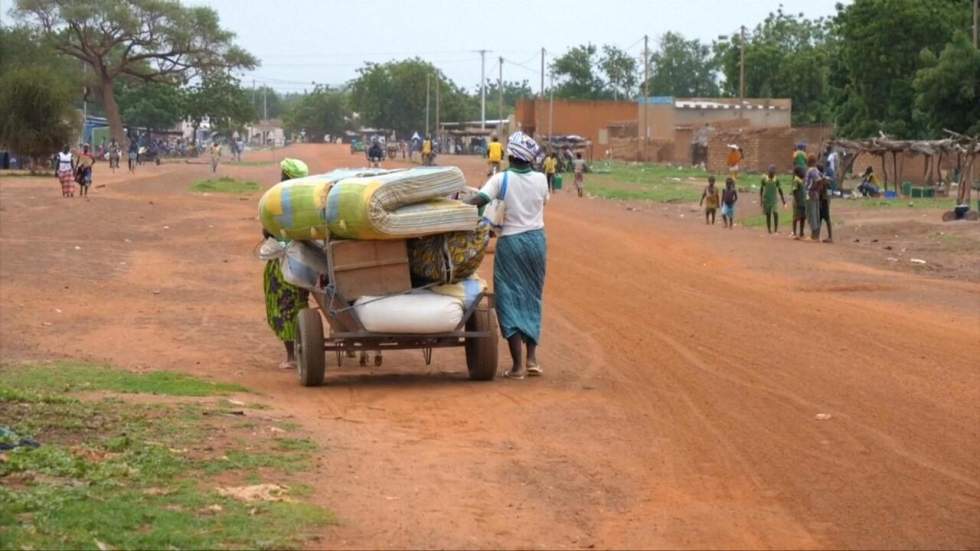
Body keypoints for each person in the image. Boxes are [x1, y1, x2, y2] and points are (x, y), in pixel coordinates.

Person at [464, 131, 548, 379]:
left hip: (511, 242)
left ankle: (517, 366)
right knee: (532, 296)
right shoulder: (542, 179)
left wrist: (458, 203)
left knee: (508, 299)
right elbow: (543, 203)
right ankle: (532, 360)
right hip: (537, 242)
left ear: (510, 155)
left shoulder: (502, 179)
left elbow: (481, 198)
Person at [263, 158, 311, 370]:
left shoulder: (277, 199)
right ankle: (304, 345)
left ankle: (291, 356)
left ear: (285, 176)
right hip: (307, 259)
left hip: (283, 262)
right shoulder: (309, 198)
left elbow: (267, 231)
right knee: (300, 302)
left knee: (282, 305)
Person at [759, 164, 786, 234]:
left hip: (774, 199)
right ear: (768, 172)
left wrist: (783, 201)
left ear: (774, 173)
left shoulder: (776, 179)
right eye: (770, 173)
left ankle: (776, 229)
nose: (772, 175)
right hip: (766, 199)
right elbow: (761, 189)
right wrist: (761, 200)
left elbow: (780, 190)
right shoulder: (764, 179)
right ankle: (769, 229)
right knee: (768, 214)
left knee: (775, 212)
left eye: (773, 173)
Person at [804, 155, 823, 241]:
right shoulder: (817, 170)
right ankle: (816, 235)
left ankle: (814, 236)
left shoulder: (811, 170)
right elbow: (822, 180)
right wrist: (817, 190)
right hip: (815, 194)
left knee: (811, 214)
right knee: (815, 213)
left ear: (810, 161)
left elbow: (819, 181)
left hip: (810, 194)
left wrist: (813, 189)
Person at [791, 166, 807, 239]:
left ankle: (801, 232)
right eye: (802, 172)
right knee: (796, 217)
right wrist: (797, 201)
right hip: (798, 202)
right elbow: (794, 191)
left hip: (803, 202)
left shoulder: (801, 180)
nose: (804, 173)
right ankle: (794, 233)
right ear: (798, 173)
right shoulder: (796, 180)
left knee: (803, 217)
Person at [818, 169, 833, 243]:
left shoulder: (823, 181)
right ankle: (828, 236)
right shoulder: (827, 181)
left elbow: (821, 191)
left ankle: (829, 237)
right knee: (821, 218)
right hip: (825, 202)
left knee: (825, 219)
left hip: (823, 202)